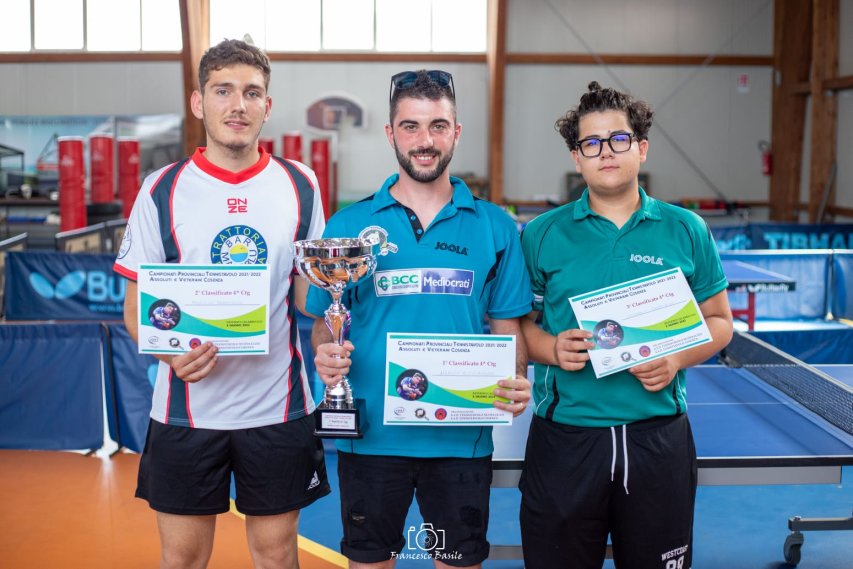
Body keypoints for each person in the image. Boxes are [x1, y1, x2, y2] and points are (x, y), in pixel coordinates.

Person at [113, 39, 330, 569]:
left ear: (267, 106)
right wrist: (168, 354)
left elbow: (310, 296)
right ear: (198, 102)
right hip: (186, 409)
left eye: (252, 93)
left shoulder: (300, 184)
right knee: (183, 559)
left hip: (277, 407)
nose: (238, 105)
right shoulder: (160, 189)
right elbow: (135, 305)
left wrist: (339, 305)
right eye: (223, 91)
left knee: (277, 555)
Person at [306, 69, 533, 568]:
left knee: (456, 562)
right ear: (391, 134)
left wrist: (516, 377)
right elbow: (326, 319)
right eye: (410, 126)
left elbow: (508, 326)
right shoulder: (348, 225)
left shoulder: (495, 225)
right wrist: (325, 349)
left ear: (456, 131)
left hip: (460, 437)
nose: (424, 141)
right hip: (371, 438)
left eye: (437, 126)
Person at [519, 81, 734, 569]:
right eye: (590, 143)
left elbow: (721, 322)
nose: (605, 152)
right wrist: (552, 348)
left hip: (657, 440)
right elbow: (517, 329)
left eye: (618, 139)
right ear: (577, 157)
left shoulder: (686, 229)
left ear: (641, 147)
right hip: (566, 440)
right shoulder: (541, 235)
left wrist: (677, 357)